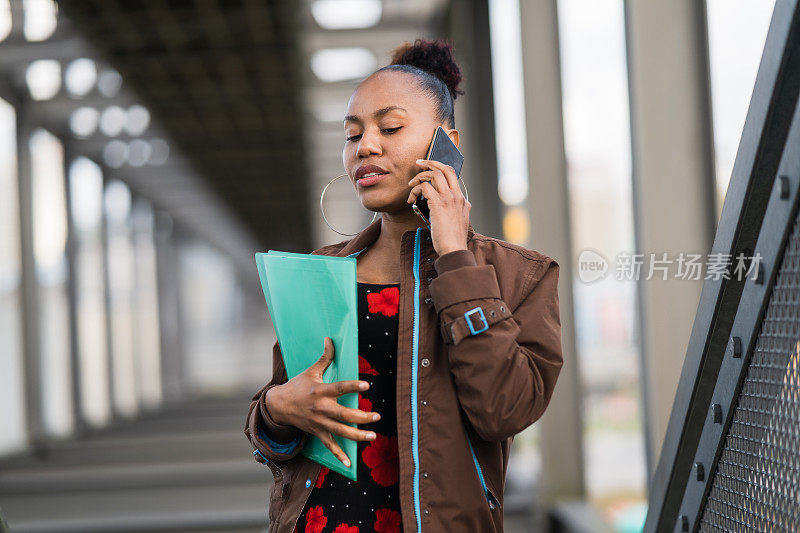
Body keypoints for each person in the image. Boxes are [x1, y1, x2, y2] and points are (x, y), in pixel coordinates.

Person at [245, 38, 563, 533]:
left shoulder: (520, 275)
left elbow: (506, 409)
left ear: (447, 144)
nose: (366, 146)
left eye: (390, 127)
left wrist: (456, 258)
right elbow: (271, 438)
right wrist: (276, 409)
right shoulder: (318, 274)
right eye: (353, 136)